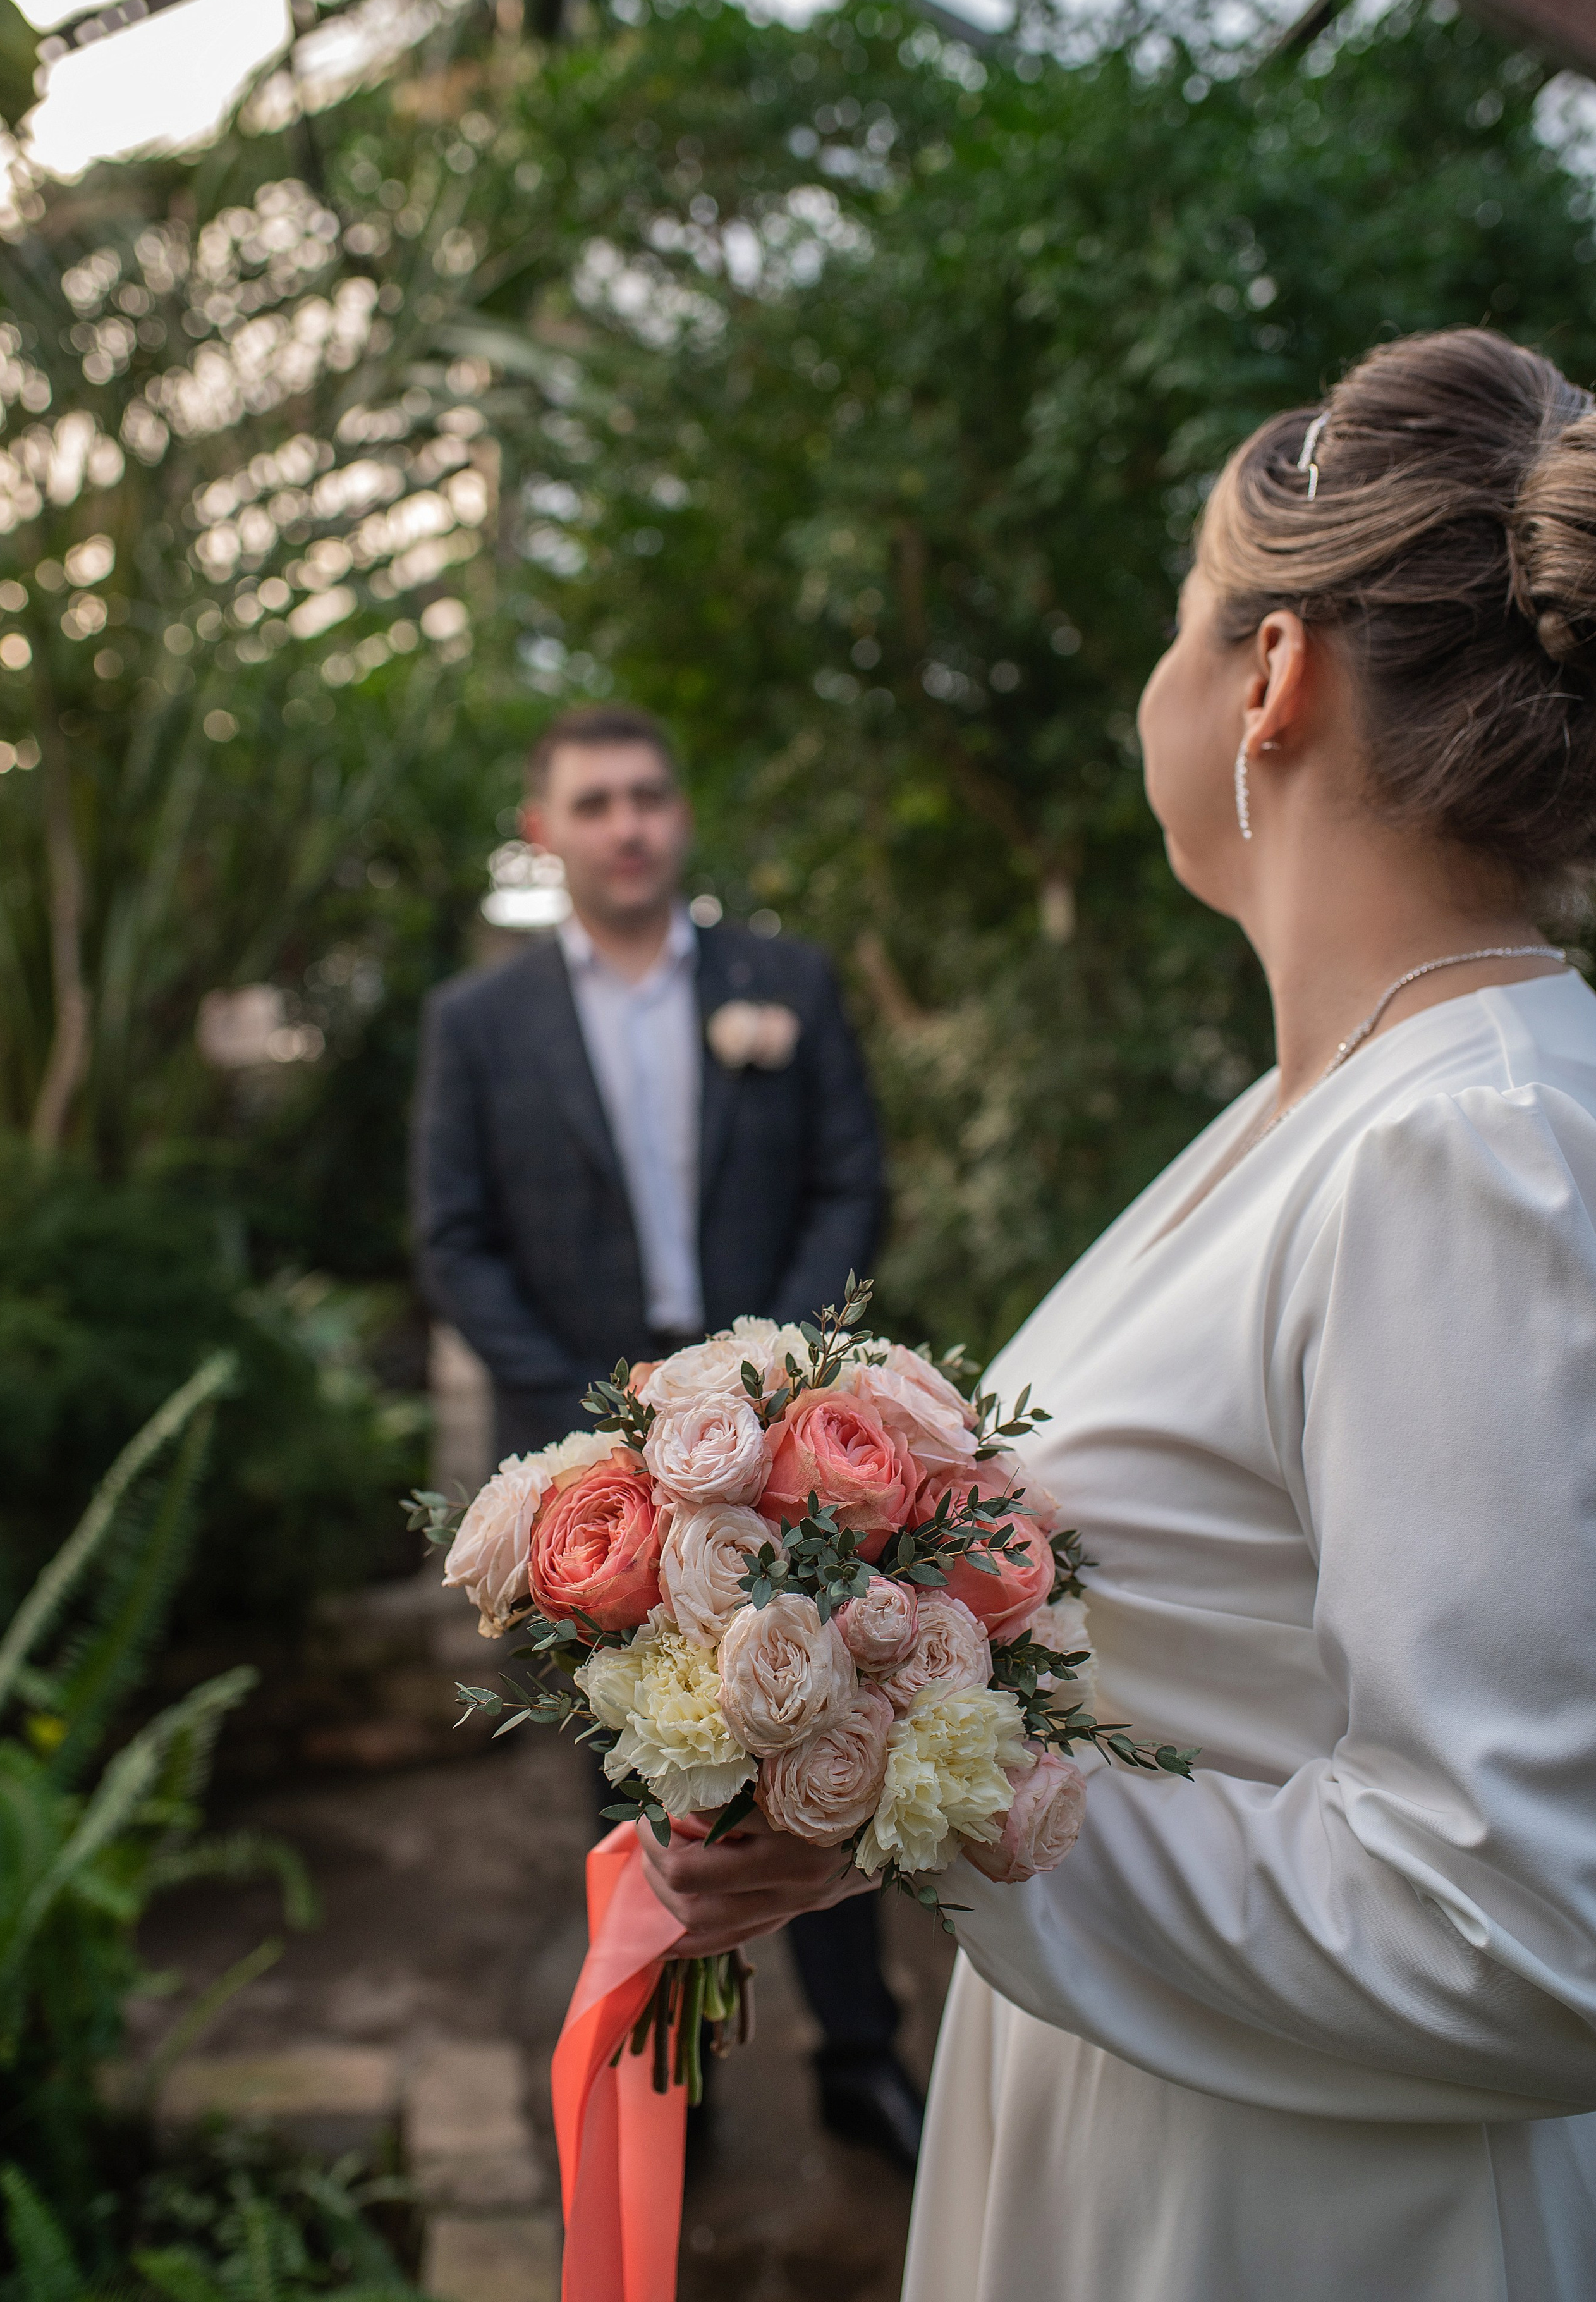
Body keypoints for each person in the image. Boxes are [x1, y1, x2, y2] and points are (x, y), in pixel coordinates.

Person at [633, 329, 1596, 2299]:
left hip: (1297, 2210)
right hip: (1149, 2109)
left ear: (1272, 675)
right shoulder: (1316, 1106)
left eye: (1179, 624)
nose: (1146, 687)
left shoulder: (1473, 1152)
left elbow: (1523, 1921)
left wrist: (921, 1826)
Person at [412, 701, 924, 2167]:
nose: (626, 822)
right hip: (593, 1464)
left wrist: (779, 1381)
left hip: (786, 1437)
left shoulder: (785, 983)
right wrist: (594, 1422)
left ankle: (858, 2052)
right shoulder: (478, 1022)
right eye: (593, 802)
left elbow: (847, 1182)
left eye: (647, 794)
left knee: (829, 1724)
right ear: (546, 830)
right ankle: (671, 2084)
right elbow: (452, 1241)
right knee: (640, 1759)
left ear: (678, 813)